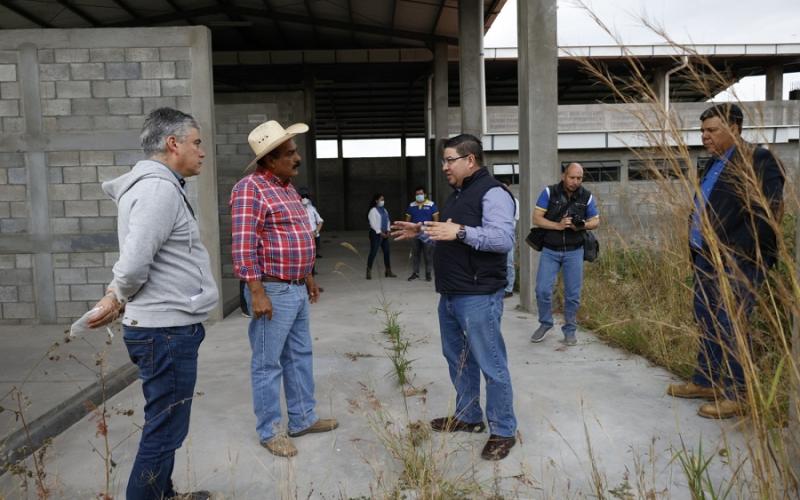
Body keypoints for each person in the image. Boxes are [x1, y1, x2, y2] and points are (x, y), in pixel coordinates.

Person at [87, 107, 218, 500]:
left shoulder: (158, 186)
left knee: (166, 425)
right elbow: (134, 263)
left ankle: (163, 494)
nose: (202, 152)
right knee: (164, 432)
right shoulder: (158, 189)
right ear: (172, 143)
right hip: (165, 332)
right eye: (196, 143)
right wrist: (117, 293)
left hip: (167, 328)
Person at [392, 134, 518, 461]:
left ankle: (504, 430)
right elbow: (451, 236)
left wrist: (460, 231)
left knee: (491, 362)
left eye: (450, 160)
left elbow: (503, 239)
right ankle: (469, 416)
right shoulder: (458, 195)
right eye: (444, 160)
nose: (444, 166)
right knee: (458, 358)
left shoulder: (493, 193)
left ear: (470, 160)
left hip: (478, 294)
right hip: (450, 293)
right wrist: (421, 232)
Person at [667, 103, 784, 419]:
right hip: (705, 259)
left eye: (712, 130)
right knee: (707, 320)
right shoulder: (712, 163)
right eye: (702, 130)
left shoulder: (759, 159)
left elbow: (768, 213)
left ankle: (738, 393)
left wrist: (737, 256)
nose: (704, 136)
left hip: (736, 262)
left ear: (735, 128)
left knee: (732, 324)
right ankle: (706, 382)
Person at [230, 120, 338, 457]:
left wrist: (307, 275)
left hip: (294, 287)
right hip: (272, 291)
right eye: (289, 153)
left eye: (295, 152)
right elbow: (243, 245)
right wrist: (257, 292)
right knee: (267, 363)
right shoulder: (251, 189)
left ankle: (303, 418)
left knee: (300, 355)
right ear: (269, 160)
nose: (297, 158)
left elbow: (298, 235)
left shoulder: (287, 188)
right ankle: (270, 431)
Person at [530, 163, 600, 346]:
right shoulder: (549, 192)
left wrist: (582, 224)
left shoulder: (586, 196)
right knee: (542, 290)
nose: (575, 182)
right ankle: (545, 323)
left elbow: (596, 221)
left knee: (572, 295)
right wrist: (557, 226)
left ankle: (570, 329)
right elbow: (536, 218)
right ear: (564, 175)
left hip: (574, 251)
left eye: (579, 178)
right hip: (550, 250)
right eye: (572, 177)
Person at [404, 186, 439, 281]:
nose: (419, 195)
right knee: (415, 254)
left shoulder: (431, 205)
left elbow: (436, 220)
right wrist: (407, 231)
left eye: (421, 194)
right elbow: (407, 221)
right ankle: (415, 273)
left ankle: (428, 273)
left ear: (425, 195)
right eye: (417, 194)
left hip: (427, 233)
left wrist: (434, 232)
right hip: (415, 233)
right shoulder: (411, 206)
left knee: (428, 255)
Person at [366, 193, 396, 279]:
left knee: (387, 252)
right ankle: (368, 271)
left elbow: (388, 221)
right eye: (381, 199)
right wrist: (380, 233)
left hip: (385, 233)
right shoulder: (373, 211)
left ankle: (388, 271)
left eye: (383, 199)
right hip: (375, 234)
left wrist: (388, 230)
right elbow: (373, 224)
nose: (383, 201)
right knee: (373, 252)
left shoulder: (384, 210)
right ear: (376, 201)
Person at [501, 178, 520, 298]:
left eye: (505, 186)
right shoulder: (495, 201)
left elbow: (515, 220)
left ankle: (509, 288)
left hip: (508, 235)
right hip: (496, 235)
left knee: (509, 263)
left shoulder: (515, 201)